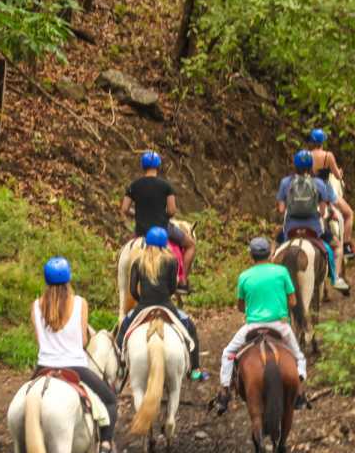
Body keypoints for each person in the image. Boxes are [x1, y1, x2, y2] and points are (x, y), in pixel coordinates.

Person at [32, 257, 119, 453]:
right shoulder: (80, 303)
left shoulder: (35, 305)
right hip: (75, 367)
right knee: (110, 400)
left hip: (43, 367)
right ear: (68, 279)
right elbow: (83, 340)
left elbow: (39, 340)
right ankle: (106, 444)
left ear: (46, 280)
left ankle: (20, 450)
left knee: (26, 402)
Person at [213, 237, 307, 415]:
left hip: (253, 326)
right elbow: (293, 301)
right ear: (270, 254)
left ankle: (224, 391)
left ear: (251, 255)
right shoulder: (281, 272)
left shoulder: (244, 276)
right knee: (298, 356)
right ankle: (300, 392)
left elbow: (241, 307)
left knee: (228, 353)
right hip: (280, 325)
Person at [116, 227, 207, 381]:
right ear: (165, 244)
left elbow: (132, 290)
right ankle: (195, 369)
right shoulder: (172, 261)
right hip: (166, 305)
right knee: (190, 327)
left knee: (124, 327)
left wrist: (142, 301)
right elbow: (172, 288)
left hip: (143, 306)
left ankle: (120, 365)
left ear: (147, 243)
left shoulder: (138, 262)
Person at [121, 150, 195, 293]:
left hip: (141, 230)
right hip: (162, 228)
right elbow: (172, 211)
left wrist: (137, 214)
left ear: (142, 166)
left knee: (125, 250)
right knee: (190, 245)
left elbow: (124, 209)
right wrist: (161, 214)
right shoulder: (166, 186)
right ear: (158, 166)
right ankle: (182, 281)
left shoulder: (133, 186)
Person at [277, 149, 350, 292]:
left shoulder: (285, 182)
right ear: (311, 165)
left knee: (275, 247)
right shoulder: (319, 183)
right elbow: (322, 211)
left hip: (290, 229)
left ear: (294, 165)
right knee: (336, 246)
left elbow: (281, 209)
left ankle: (271, 274)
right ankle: (335, 278)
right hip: (314, 229)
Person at [308, 128, 355, 259]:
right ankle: (346, 246)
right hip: (326, 190)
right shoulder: (328, 156)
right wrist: (340, 172)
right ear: (322, 141)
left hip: (310, 189)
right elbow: (337, 176)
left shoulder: (307, 155)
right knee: (349, 214)